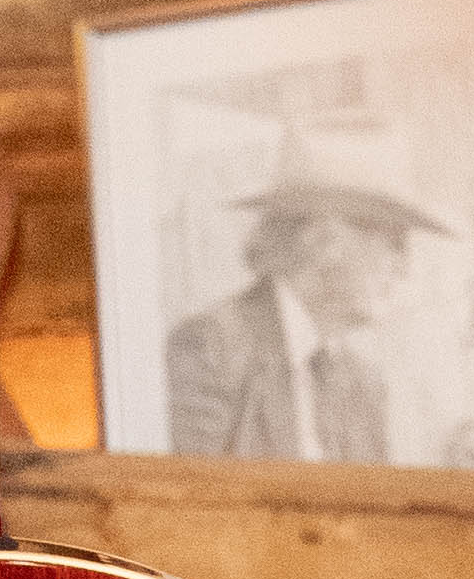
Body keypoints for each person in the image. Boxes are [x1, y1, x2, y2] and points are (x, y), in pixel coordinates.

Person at [166, 153, 452, 462]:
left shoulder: (365, 384)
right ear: (325, 239)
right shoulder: (213, 346)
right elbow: (189, 488)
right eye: (395, 243)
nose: (404, 268)